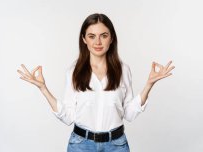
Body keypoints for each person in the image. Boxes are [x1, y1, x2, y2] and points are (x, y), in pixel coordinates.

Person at [16, 13, 175, 152]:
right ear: (84, 39)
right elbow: (68, 117)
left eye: (103, 35)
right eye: (92, 36)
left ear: (111, 38)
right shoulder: (74, 71)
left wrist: (149, 85)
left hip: (116, 145)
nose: (98, 42)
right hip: (81, 145)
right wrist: (43, 88)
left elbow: (129, 114)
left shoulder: (123, 70)